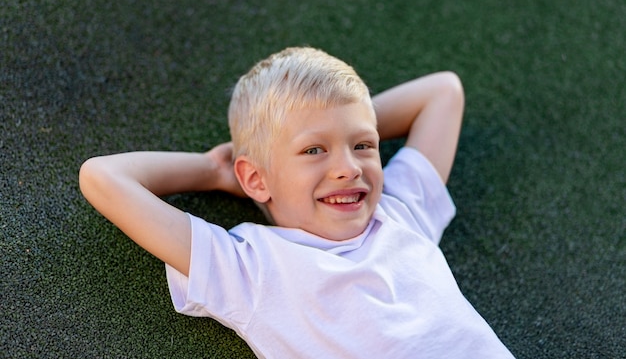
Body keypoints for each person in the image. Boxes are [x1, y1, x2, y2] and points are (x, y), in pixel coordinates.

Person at [79, 47, 514, 358]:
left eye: (363, 145)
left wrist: (338, 122)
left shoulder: (401, 212)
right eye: (313, 151)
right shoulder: (249, 269)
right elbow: (103, 177)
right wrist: (213, 170)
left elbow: (444, 92)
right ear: (254, 178)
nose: (349, 168)